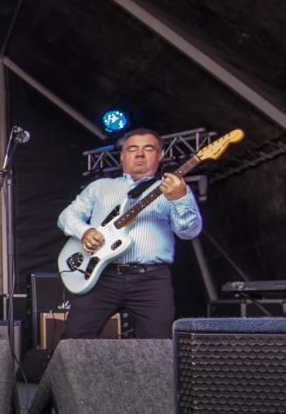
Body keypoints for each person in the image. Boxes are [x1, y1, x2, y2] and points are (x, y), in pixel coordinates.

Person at [56, 128, 201, 339]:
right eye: (132, 149)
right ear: (122, 156)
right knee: (74, 340)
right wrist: (86, 232)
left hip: (151, 279)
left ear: (160, 155)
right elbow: (66, 217)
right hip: (101, 276)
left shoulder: (173, 190)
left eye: (148, 149)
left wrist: (180, 199)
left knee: (158, 347)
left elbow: (189, 232)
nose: (140, 154)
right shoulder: (100, 187)